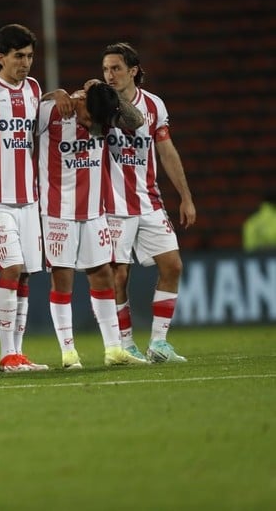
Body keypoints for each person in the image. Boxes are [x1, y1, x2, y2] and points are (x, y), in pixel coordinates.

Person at [38, 80, 148, 368]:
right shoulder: (52, 111)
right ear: (79, 105)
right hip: (58, 212)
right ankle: (68, 352)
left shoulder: (102, 111)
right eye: (88, 120)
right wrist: (53, 93)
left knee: (102, 275)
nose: (92, 126)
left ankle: (113, 350)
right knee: (63, 278)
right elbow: (25, 109)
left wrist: (105, 91)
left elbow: (135, 122)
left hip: (94, 211)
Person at [101, 43, 196, 363]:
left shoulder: (154, 105)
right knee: (118, 275)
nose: (109, 75)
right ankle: (125, 344)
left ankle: (159, 343)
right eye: (105, 69)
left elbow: (166, 151)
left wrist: (185, 196)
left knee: (173, 266)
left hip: (149, 201)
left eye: (116, 68)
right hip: (112, 205)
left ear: (133, 70)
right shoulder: (100, 103)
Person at [0, 24, 50, 373]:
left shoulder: (33, 88)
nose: (26, 63)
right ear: (0, 57)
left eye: (30, 56)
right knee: (12, 268)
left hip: (28, 199)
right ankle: (6, 355)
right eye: (19, 56)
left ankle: (18, 353)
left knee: (26, 275)